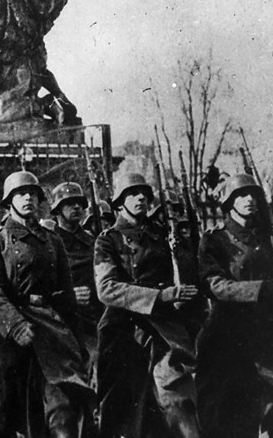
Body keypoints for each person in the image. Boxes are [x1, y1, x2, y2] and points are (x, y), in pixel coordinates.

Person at [0, 170, 95, 438]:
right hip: (6, 329)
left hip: (49, 326)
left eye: (33, 193)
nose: (28, 197)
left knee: (62, 404)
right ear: (9, 201)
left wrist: (76, 341)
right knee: (3, 404)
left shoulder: (52, 240)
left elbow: (66, 295)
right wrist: (16, 326)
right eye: (21, 193)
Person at [94, 172, 200, 437]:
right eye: (132, 193)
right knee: (124, 408)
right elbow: (107, 289)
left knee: (177, 398)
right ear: (119, 202)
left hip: (162, 327)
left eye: (144, 193)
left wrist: (182, 251)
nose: (140, 197)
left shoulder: (163, 235)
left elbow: (186, 277)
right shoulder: (108, 240)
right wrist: (158, 296)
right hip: (122, 330)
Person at [196, 174, 273, 437]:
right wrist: (261, 289)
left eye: (252, 195)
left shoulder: (267, 240)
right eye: (240, 195)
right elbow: (215, 286)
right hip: (229, 335)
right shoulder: (215, 239)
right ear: (228, 202)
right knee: (230, 415)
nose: (249, 200)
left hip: (268, 331)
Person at [50, 182, 103, 388]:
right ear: (57, 209)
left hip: (93, 319)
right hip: (62, 321)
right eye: (69, 203)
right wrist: (67, 296)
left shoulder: (92, 241)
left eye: (80, 203)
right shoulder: (49, 242)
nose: (76, 208)